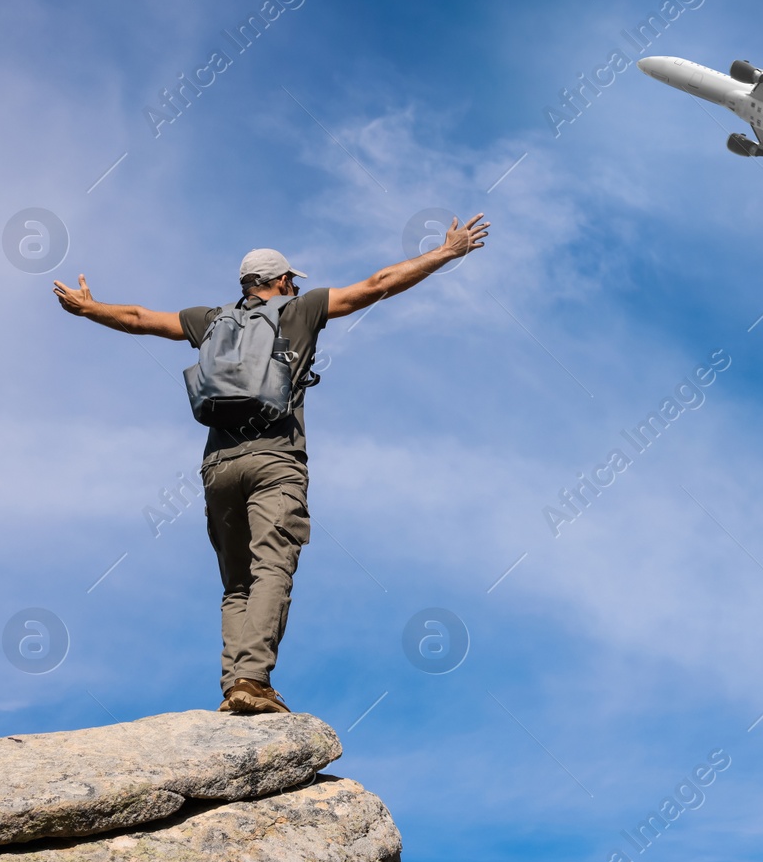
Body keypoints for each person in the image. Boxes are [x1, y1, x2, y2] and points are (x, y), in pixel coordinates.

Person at [52, 214, 489, 713]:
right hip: (276, 460)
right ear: (281, 281)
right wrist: (446, 253)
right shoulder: (300, 311)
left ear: (244, 285)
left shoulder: (209, 319)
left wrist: (88, 309)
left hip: (218, 466)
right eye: (291, 279)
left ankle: (233, 685)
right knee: (272, 567)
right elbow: (379, 284)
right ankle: (252, 682)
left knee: (236, 583)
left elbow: (135, 317)